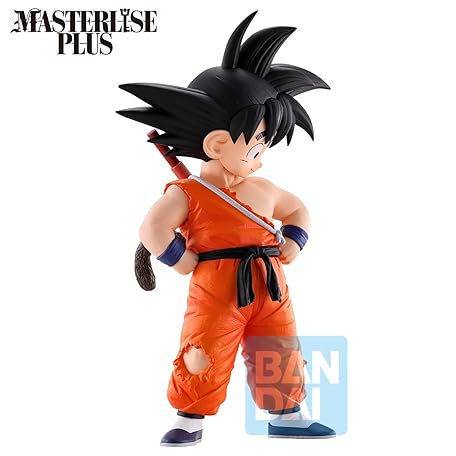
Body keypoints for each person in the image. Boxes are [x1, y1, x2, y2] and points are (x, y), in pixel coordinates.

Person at [118, 11, 334, 446]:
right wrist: (180, 258)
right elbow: (151, 226)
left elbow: (298, 210)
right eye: (256, 146)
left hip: (271, 283)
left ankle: (287, 413)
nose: (261, 158)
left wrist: (294, 241)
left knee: (280, 348)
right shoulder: (187, 193)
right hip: (215, 285)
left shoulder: (264, 189)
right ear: (218, 143)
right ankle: (190, 418)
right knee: (204, 350)